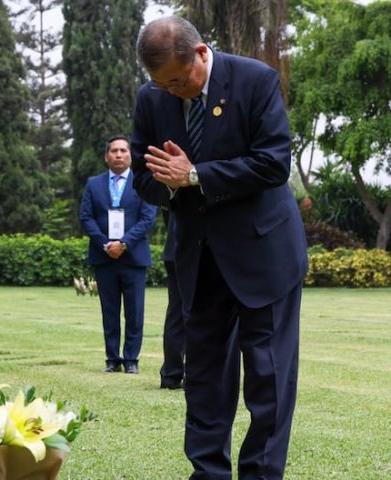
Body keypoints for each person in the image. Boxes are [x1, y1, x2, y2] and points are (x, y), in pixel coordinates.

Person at [131, 16, 308, 480]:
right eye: (161, 83)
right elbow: (144, 178)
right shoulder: (152, 98)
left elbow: (273, 163)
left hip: (263, 254)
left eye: (177, 79)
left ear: (201, 53)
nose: (171, 91)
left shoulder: (254, 80)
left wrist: (195, 175)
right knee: (205, 378)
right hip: (200, 258)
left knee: (268, 379)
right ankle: (207, 474)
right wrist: (168, 184)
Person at [79, 135, 157, 374]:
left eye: (123, 150)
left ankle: (131, 359)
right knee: (109, 311)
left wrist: (123, 243)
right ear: (106, 156)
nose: (119, 155)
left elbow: (147, 218)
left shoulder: (144, 182)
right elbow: (86, 218)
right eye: (114, 151)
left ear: (130, 155)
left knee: (135, 312)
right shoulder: (94, 184)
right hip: (104, 258)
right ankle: (112, 359)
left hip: (133, 258)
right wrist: (106, 244)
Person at [159, 211, 185, 389]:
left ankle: (171, 373)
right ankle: (196, 374)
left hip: (173, 248)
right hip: (193, 247)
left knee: (175, 313)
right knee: (201, 312)